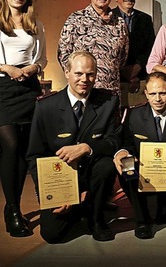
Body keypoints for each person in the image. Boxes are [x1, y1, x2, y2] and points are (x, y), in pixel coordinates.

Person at [27, 51, 120, 243]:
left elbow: (114, 141)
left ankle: (96, 218)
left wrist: (87, 147)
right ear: (67, 72)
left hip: (92, 175)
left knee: (106, 165)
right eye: (78, 73)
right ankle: (80, 208)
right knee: (52, 235)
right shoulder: (46, 107)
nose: (84, 79)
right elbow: (35, 155)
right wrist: (55, 193)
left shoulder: (108, 102)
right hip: (60, 179)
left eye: (90, 74)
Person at [113, 72, 166, 239]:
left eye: (162, 93)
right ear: (146, 94)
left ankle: (164, 206)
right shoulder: (133, 115)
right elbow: (126, 143)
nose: (158, 98)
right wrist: (123, 152)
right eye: (153, 93)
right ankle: (142, 221)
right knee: (127, 167)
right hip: (143, 173)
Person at [0, 0, 47, 237]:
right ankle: (13, 209)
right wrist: (6, 68)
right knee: (11, 147)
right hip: (3, 87)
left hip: (28, 87)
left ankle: (15, 207)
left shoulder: (36, 23)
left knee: (25, 151)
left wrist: (32, 68)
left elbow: (42, 59)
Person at [58, 0, 128, 93]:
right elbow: (63, 54)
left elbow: (122, 58)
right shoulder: (75, 19)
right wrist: (78, 80)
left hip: (110, 92)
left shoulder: (120, 23)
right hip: (82, 91)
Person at [113, 0, 156, 108]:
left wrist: (137, 68)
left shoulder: (145, 19)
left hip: (140, 77)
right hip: (116, 78)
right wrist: (124, 73)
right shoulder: (109, 17)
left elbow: (150, 48)